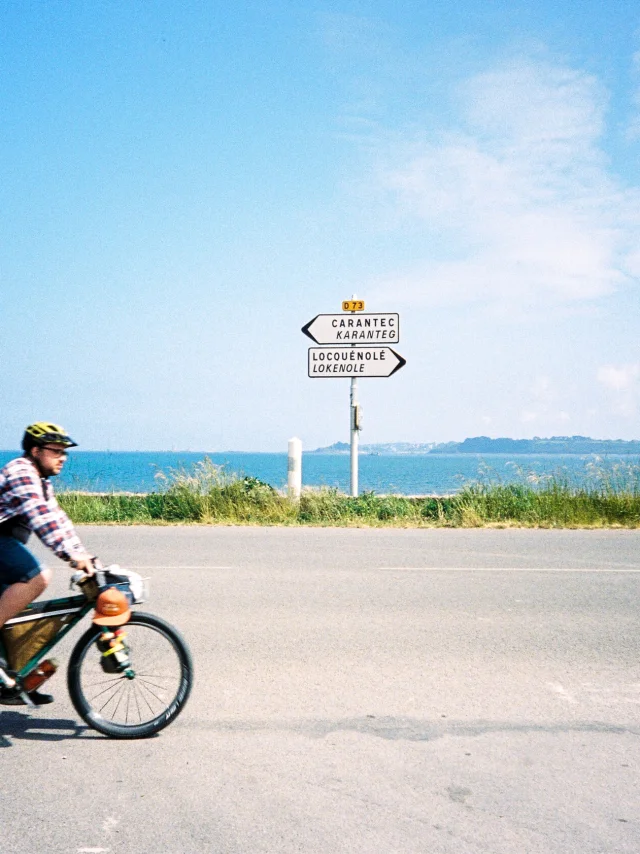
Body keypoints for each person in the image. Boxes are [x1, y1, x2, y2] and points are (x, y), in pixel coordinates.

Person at [0, 422, 95, 704]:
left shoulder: (41, 481)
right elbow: (40, 517)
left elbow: (57, 519)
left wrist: (82, 554)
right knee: (37, 577)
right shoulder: (21, 472)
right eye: (56, 451)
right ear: (35, 450)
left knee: (13, 615)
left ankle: (10, 685)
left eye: (64, 452)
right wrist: (70, 556)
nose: (62, 457)